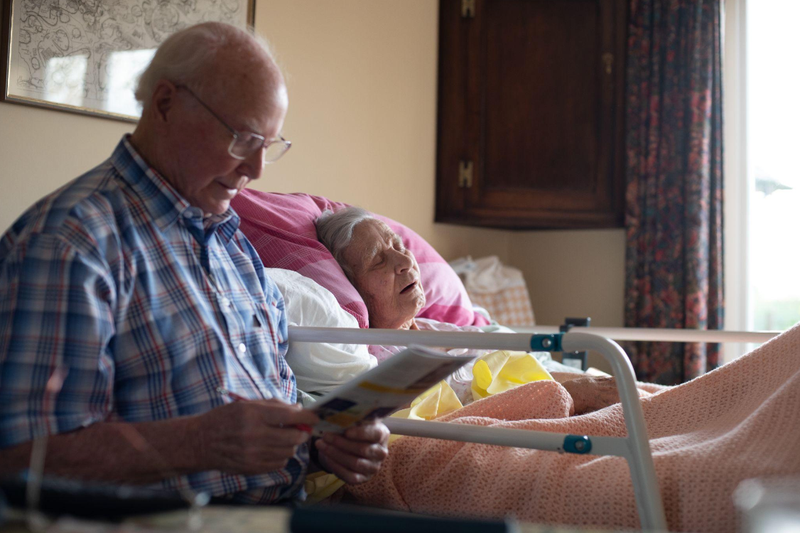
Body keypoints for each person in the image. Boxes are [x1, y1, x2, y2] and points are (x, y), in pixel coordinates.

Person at [0, 22, 388, 503]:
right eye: (242, 138)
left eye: (267, 146)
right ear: (165, 104)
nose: (255, 171)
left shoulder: (232, 247)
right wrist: (198, 443)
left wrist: (322, 447)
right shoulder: (71, 243)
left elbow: (268, 431)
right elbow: (20, 458)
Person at [315, 206, 626, 415]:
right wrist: (568, 395)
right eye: (378, 260)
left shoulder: (443, 330)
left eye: (399, 246)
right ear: (350, 286)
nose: (405, 262)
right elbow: (452, 423)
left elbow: (531, 371)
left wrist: (599, 387)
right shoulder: (376, 362)